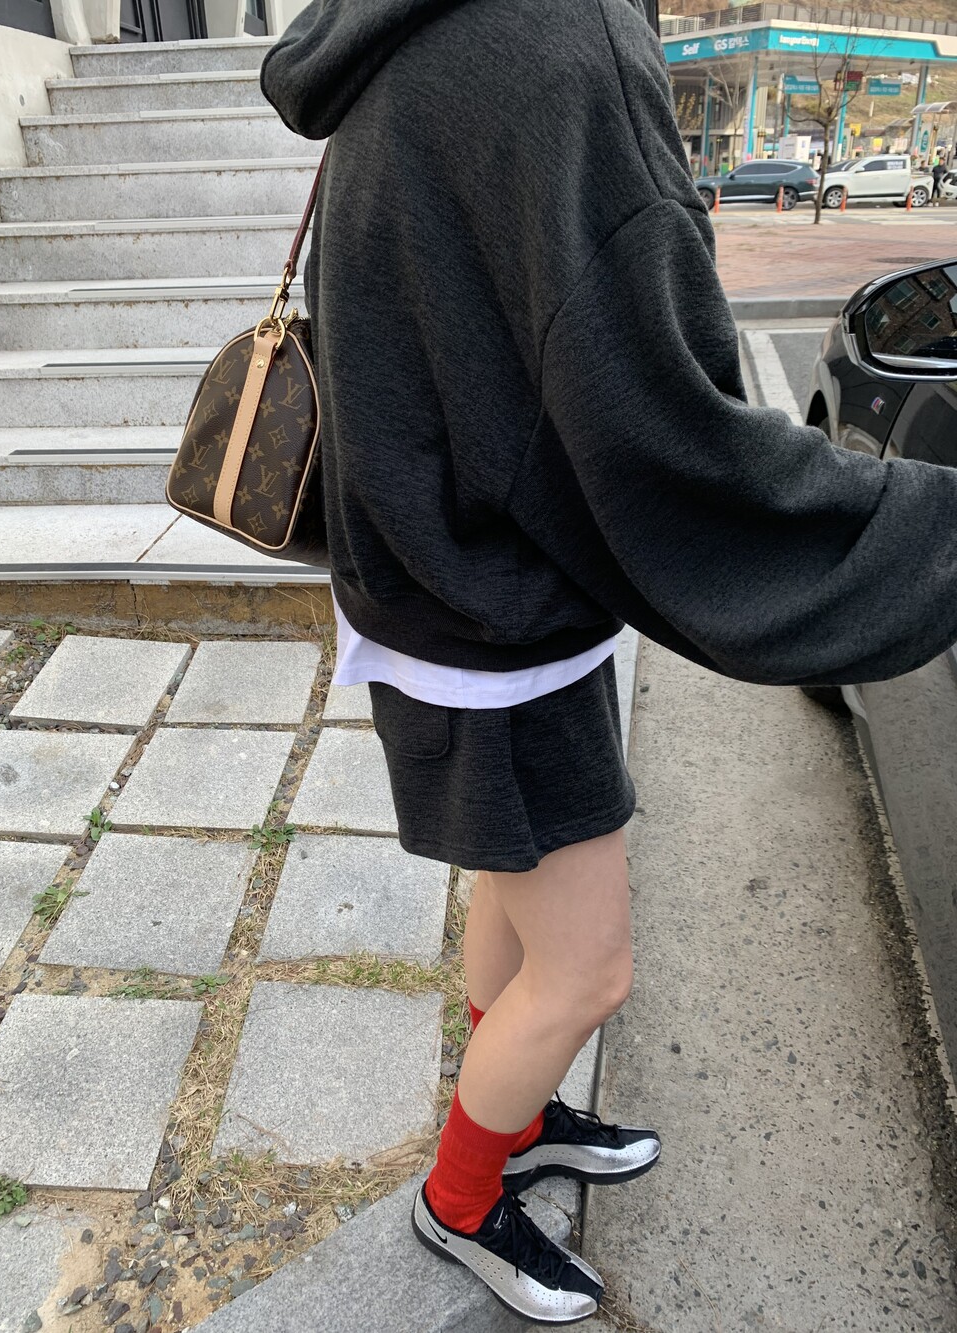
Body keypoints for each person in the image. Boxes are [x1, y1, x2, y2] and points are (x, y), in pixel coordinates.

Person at [261, 0, 957, 1323]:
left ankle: (518, 1125)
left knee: (514, 887)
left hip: (433, 573)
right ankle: (461, 1196)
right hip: (498, 609)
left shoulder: (410, 30)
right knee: (589, 972)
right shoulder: (568, 42)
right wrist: (926, 537)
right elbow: (671, 430)